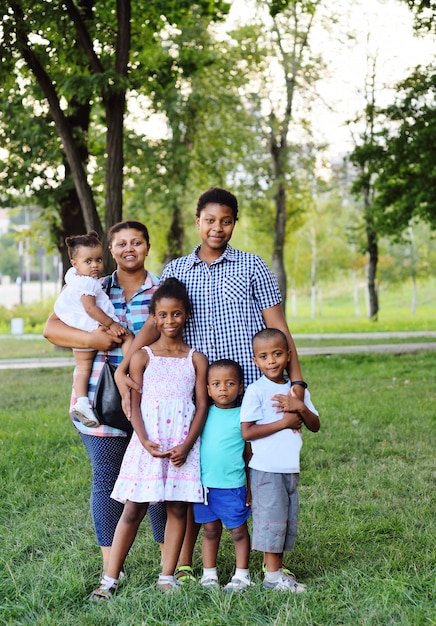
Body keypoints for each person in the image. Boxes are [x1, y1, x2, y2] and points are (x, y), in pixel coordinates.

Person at [114, 187, 306, 582]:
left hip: (249, 388)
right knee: (198, 473)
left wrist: (297, 382)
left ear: (235, 222)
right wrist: (125, 365)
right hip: (198, 389)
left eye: (226, 220)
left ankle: (264, 561)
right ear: (197, 220)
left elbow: (279, 329)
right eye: (210, 220)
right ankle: (188, 563)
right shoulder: (177, 270)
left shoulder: (252, 266)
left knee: (253, 472)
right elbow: (154, 323)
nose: (217, 228)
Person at [43, 221, 167, 576]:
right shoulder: (91, 286)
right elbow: (51, 328)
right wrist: (93, 341)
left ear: (147, 246)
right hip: (98, 400)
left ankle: (167, 562)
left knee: (156, 478)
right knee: (106, 479)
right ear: (111, 250)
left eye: (137, 242)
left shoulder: (161, 291)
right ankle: (111, 566)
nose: (130, 249)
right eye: (122, 243)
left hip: (151, 400)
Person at [90, 278, 209, 598]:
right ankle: (110, 579)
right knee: (133, 509)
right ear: (154, 317)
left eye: (177, 314)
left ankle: (167, 575)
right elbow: (134, 406)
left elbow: (201, 406)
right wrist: (142, 439)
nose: (170, 321)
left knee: (177, 510)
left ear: (187, 315)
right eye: (163, 315)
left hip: (181, 446)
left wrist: (186, 445)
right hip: (149, 444)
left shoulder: (195, 359)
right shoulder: (143, 356)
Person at [240, 328, 320, 593]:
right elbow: (247, 432)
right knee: (271, 521)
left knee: (285, 520)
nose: (271, 361)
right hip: (266, 469)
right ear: (255, 360)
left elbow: (315, 424)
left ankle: (277, 571)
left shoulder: (296, 392)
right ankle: (272, 577)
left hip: (289, 469)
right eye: (264, 356)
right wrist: (284, 422)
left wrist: (300, 408)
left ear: (288, 356)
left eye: (276, 354)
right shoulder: (256, 391)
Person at [53, 231, 133, 427]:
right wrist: (111, 324)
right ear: (75, 263)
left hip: (79, 328)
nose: (95, 265)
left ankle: (81, 402)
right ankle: (129, 371)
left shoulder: (72, 277)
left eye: (98, 259)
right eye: (88, 261)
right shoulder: (88, 282)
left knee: (82, 369)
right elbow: (91, 308)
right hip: (92, 327)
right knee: (127, 337)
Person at [193, 359, 252, 593]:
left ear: (240, 387)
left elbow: (249, 455)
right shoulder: (203, 414)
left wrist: (250, 485)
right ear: (208, 389)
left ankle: (242, 575)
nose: (223, 389)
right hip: (205, 486)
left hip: (232, 485)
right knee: (210, 530)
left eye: (229, 383)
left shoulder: (244, 416)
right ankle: (209, 574)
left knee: (238, 530)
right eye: (216, 384)